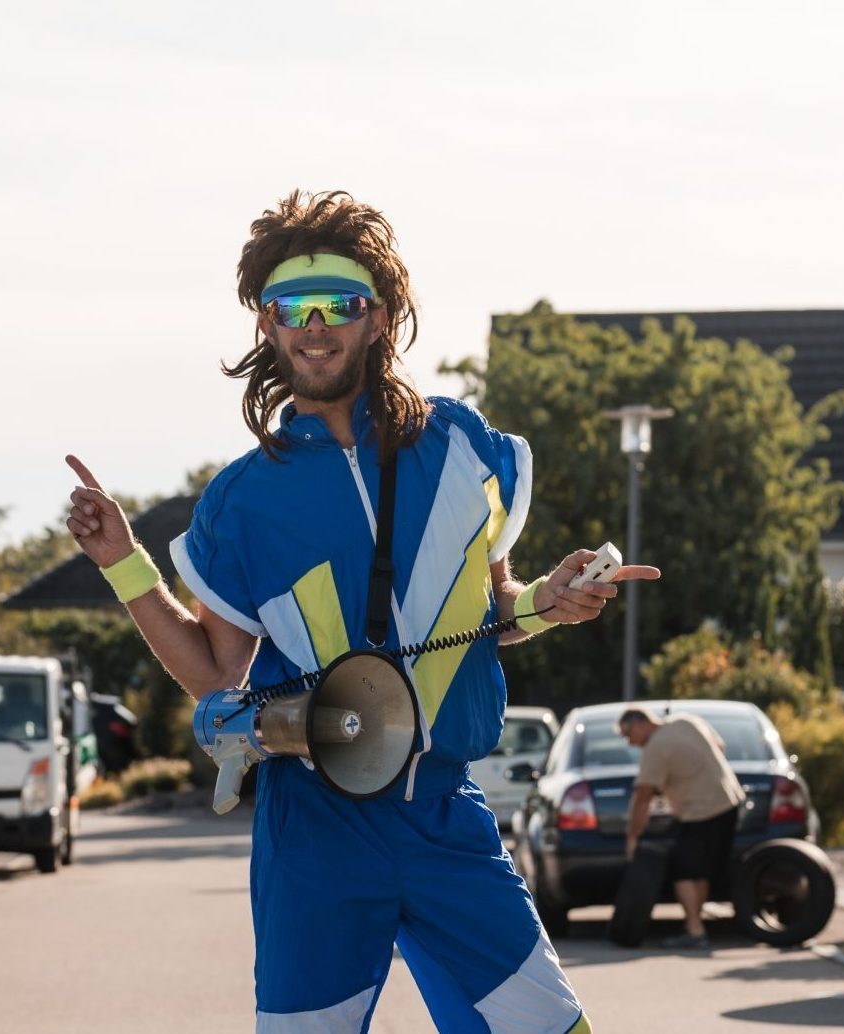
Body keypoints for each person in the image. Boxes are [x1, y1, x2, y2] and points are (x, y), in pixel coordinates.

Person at [64, 189, 660, 1033]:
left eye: (338, 304)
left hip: (447, 816)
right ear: (266, 327)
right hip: (314, 830)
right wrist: (123, 563)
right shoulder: (240, 500)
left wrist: (548, 603)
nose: (315, 325)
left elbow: (492, 607)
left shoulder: (461, 447)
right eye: (290, 308)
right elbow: (213, 670)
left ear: (378, 318)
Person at [619, 707, 746, 949]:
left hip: (700, 811)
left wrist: (633, 837)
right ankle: (695, 924)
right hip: (729, 800)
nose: (630, 742)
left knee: (683, 871)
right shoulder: (687, 721)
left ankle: (695, 931)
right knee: (701, 869)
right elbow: (720, 746)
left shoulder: (654, 750)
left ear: (639, 723)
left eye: (628, 735)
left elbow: (642, 797)